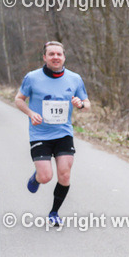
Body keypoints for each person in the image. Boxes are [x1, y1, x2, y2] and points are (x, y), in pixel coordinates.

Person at [14, 42, 90, 226]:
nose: (55, 57)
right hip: (40, 134)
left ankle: (54, 212)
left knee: (64, 174)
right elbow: (18, 99)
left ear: (64, 57)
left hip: (63, 133)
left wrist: (80, 104)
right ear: (45, 57)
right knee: (46, 176)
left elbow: (87, 105)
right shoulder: (32, 78)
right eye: (51, 54)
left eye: (59, 54)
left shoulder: (74, 79)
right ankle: (37, 177)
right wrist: (31, 114)